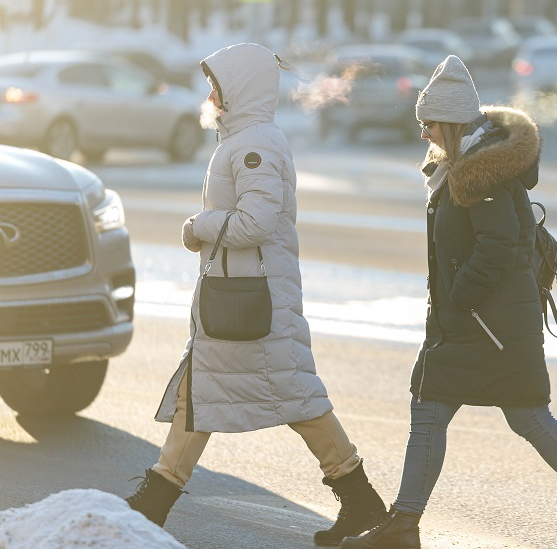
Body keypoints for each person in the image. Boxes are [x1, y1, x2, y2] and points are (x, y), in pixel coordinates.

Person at [340, 55, 557, 549]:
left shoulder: (484, 174)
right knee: (469, 411)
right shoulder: (467, 166)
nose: (424, 134)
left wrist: (460, 300)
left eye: (428, 123)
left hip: (485, 324)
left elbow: (498, 243)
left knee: (495, 412)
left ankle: (405, 525)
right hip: (487, 322)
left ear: (454, 123)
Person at [124, 43, 386, 547]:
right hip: (241, 297)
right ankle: (154, 501)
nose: (209, 93)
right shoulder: (246, 140)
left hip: (254, 302)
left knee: (296, 397)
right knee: (200, 393)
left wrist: (199, 226)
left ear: (237, 89)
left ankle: (361, 501)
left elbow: (257, 221)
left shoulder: (255, 146)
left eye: (216, 85)